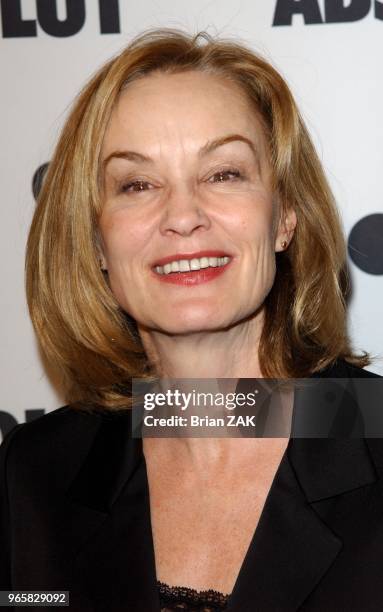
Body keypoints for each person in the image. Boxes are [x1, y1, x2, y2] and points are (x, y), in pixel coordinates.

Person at [0, 27, 382, 612]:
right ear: (97, 243)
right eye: (137, 183)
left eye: (224, 173)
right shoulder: (33, 475)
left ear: (284, 216)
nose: (182, 216)